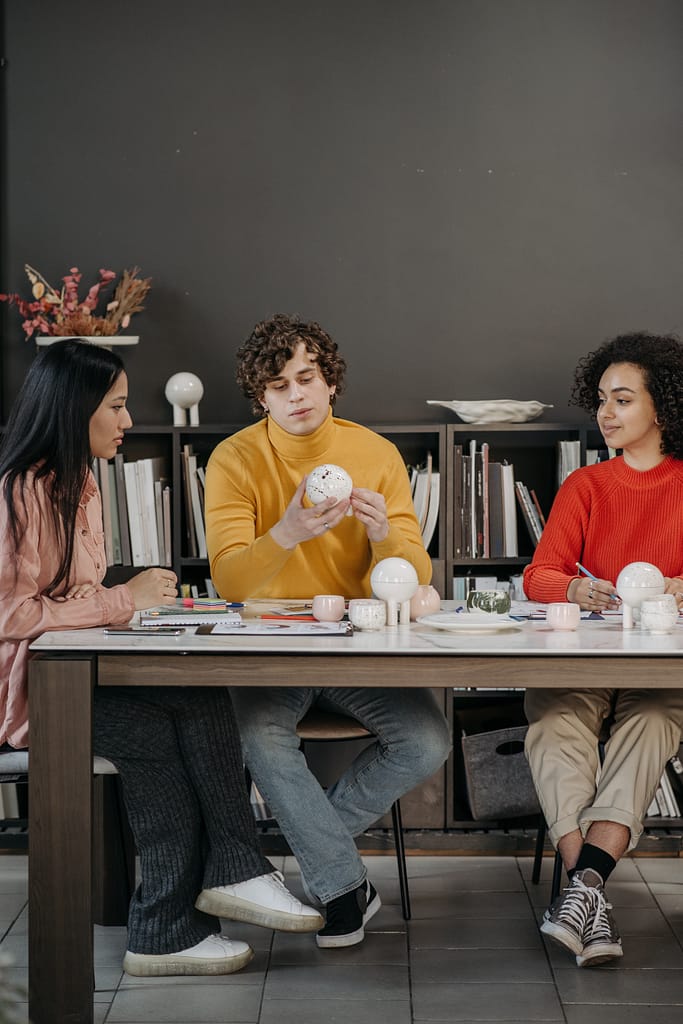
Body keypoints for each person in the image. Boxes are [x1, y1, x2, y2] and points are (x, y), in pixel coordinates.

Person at [0, 338, 323, 978]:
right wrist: (122, 600)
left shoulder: (79, 484)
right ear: (75, 408)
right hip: (32, 694)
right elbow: (10, 613)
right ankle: (167, 927)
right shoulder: (19, 491)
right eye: (116, 408)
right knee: (153, 735)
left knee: (199, 692)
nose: (127, 422)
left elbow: (74, 595)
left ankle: (226, 878)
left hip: (74, 671)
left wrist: (136, 604)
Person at [205, 313, 451, 948]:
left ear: (330, 382)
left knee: (426, 740)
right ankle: (344, 889)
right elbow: (231, 581)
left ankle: (315, 854)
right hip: (269, 644)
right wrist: (287, 532)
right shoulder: (234, 459)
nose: (297, 396)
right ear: (260, 396)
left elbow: (414, 572)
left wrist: (380, 534)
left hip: (352, 638)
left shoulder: (375, 453)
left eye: (307, 378)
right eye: (280, 386)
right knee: (262, 739)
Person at [523, 331, 683, 968]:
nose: (606, 413)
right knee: (554, 725)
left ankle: (579, 893)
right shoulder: (586, 484)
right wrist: (577, 587)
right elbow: (540, 575)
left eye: (622, 399)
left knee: (650, 724)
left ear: (662, 409)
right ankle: (589, 892)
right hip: (584, 659)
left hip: (661, 669)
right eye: (601, 400)